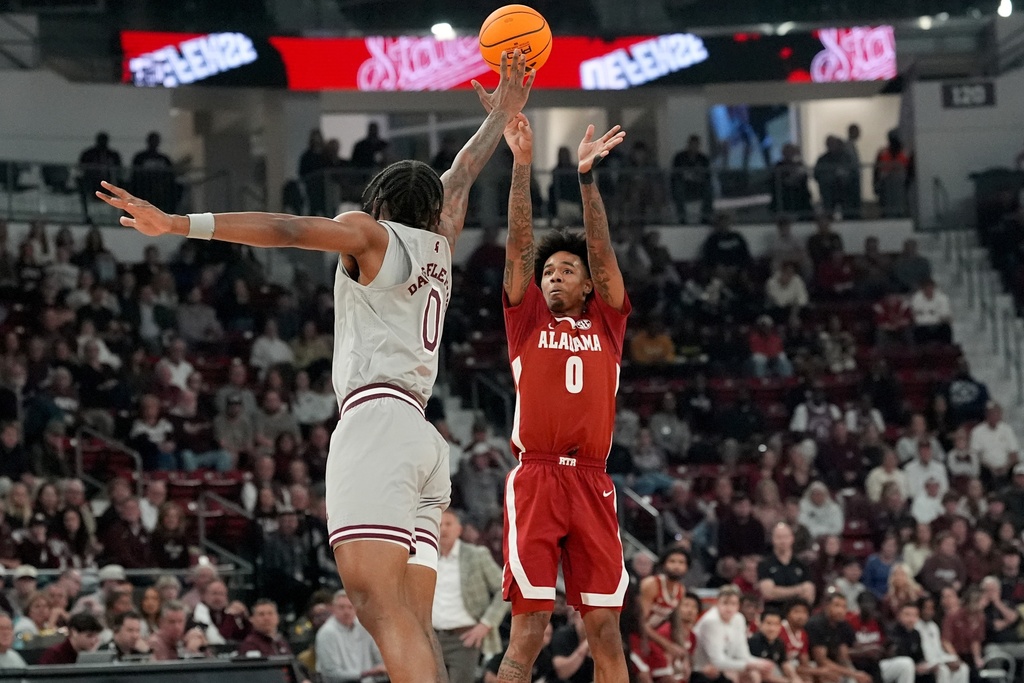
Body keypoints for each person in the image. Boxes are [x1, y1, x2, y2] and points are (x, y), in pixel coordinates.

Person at [98, 50, 534, 683]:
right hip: (424, 439)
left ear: (378, 202)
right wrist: (500, 118)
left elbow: (286, 228)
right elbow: (462, 176)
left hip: (378, 423)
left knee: (381, 612)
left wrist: (178, 223)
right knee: (410, 618)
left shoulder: (369, 233)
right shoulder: (442, 241)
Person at [491, 108, 631, 683]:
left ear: (588, 285)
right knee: (529, 627)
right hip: (539, 477)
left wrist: (587, 179)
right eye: (549, 271)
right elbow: (519, 245)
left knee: (605, 633)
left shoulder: (608, 321)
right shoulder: (524, 320)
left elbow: (601, 251)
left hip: (593, 480)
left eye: (566, 270)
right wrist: (522, 166)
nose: (553, 277)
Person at [431, 509, 508, 683]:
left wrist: (486, 623)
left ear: (459, 529)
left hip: (464, 639)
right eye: (439, 524)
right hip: (432, 638)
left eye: (448, 524)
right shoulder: (426, 557)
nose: (443, 529)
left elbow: (504, 589)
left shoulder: (476, 555)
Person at [692, 585, 775, 683]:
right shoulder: (711, 621)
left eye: (733, 604)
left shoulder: (739, 619)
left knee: (754, 673)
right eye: (725, 603)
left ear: (738, 605)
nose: (729, 608)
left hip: (723, 667)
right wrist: (749, 665)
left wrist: (762, 664)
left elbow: (743, 654)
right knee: (735, 675)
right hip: (701, 669)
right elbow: (717, 661)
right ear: (717, 603)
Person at [634, 548, 691, 683]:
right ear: (663, 564)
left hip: (650, 637)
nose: (676, 566)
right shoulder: (651, 584)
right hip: (632, 635)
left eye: (681, 562)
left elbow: (676, 625)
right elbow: (639, 622)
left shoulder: (680, 590)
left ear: (687, 567)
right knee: (644, 677)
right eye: (672, 561)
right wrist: (667, 646)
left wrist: (684, 656)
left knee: (669, 679)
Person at [316, 590, 386, 683]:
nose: (347, 612)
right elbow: (331, 674)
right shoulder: (326, 633)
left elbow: (379, 658)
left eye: (350, 607)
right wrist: (367, 673)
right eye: (341, 607)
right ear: (333, 609)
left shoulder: (365, 627)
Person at [805, 592, 872, 683]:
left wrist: (855, 675)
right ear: (826, 606)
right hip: (811, 665)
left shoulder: (843, 625)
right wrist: (853, 674)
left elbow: (843, 657)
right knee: (829, 677)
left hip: (835, 666)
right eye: (836, 605)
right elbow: (821, 660)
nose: (840, 610)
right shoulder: (816, 624)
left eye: (844, 607)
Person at [748, 608, 801, 683]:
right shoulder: (754, 641)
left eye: (776, 624)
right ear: (761, 624)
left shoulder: (779, 643)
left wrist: (794, 678)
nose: (772, 628)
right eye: (768, 623)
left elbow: (784, 663)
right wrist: (787, 681)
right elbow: (763, 675)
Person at [38, 612, 102, 665]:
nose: (94, 641)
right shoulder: (54, 655)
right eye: (89, 636)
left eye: (96, 636)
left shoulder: (95, 653)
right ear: (74, 632)